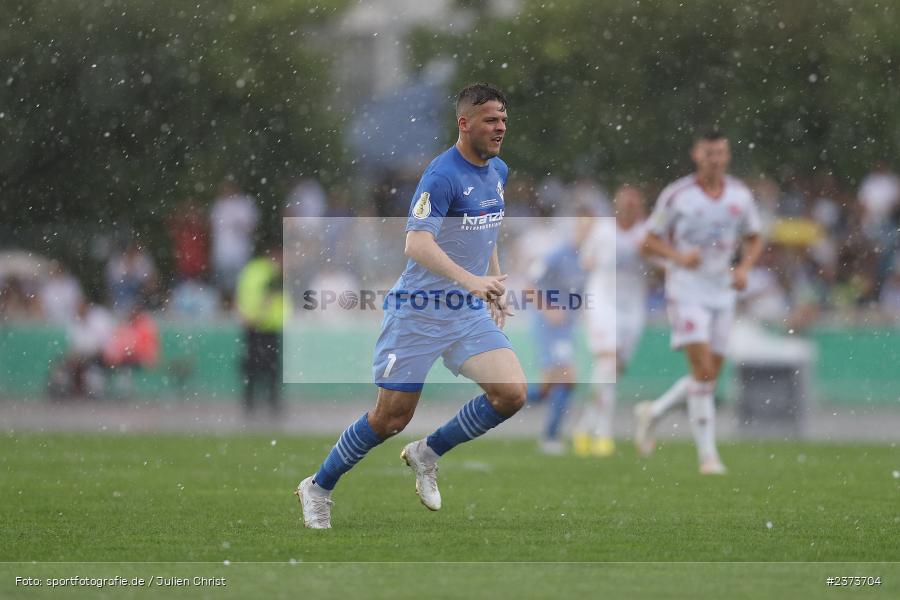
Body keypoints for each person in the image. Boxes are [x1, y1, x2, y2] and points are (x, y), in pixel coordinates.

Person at [296, 83, 526, 529]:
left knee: (511, 394)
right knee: (390, 418)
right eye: (490, 120)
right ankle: (318, 487)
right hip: (418, 312)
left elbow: (488, 229)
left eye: (503, 119)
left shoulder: (498, 170)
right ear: (465, 123)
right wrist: (471, 280)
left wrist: (492, 282)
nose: (500, 127)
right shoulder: (441, 175)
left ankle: (428, 453)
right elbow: (415, 243)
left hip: (465, 312)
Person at [633, 129, 763, 475]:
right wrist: (678, 256)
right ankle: (708, 456)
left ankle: (654, 412)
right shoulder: (678, 195)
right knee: (703, 372)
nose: (715, 159)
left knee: (708, 377)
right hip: (686, 289)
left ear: (728, 155)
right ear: (696, 155)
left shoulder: (740, 195)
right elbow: (646, 242)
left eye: (720, 153)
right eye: (709, 153)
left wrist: (745, 268)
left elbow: (754, 237)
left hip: (723, 291)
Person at [573, 185, 649, 457]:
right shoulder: (603, 231)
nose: (628, 210)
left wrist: (649, 255)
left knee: (613, 371)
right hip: (603, 301)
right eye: (624, 205)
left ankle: (584, 424)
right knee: (607, 363)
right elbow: (585, 261)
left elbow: (663, 265)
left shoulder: (647, 233)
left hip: (633, 306)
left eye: (633, 205)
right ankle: (603, 434)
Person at [525, 209, 593, 455]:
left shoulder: (588, 259)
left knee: (549, 388)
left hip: (566, 327)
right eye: (584, 228)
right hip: (547, 325)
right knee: (567, 378)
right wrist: (549, 309)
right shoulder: (556, 255)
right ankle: (551, 437)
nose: (587, 233)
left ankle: (503, 397)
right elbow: (528, 285)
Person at [235, 246, 286, 416]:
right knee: (270, 368)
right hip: (266, 326)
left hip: (253, 325)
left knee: (252, 366)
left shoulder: (250, 270)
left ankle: (251, 403)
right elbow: (269, 297)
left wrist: (246, 314)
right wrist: (260, 314)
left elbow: (242, 294)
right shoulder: (272, 273)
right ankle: (270, 403)